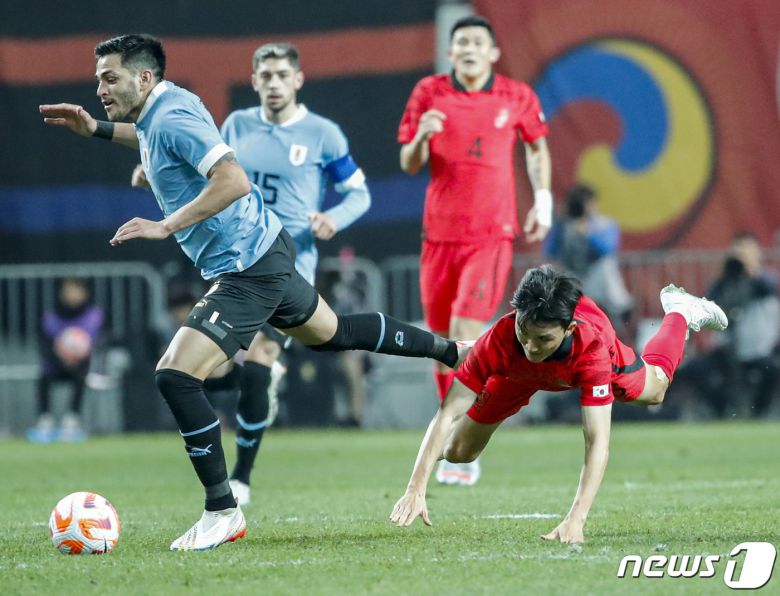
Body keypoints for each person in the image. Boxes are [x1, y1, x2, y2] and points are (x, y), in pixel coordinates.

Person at [40, 34, 469, 552]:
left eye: (110, 79)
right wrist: (98, 129)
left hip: (247, 268)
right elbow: (157, 139)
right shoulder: (171, 104)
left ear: (143, 78)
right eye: (98, 81)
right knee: (334, 335)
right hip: (270, 249)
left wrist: (164, 225)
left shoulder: (171, 116)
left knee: (175, 375)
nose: (101, 88)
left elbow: (233, 180)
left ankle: (223, 509)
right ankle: (455, 351)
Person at [132, 42, 372, 506]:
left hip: (287, 265)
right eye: (266, 76)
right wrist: (154, 171)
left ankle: (240, 478)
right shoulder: (237, 125)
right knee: (218, 370)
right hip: (237, 259)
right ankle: (255, 399)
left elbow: (359, 193)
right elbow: (210, 169)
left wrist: (333, 219)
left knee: (260, 359)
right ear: (255, 79)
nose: (274, 84)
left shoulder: (324, 134)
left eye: (283, 75)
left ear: (298, 79)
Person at [389, 265, 728, 543]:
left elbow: (597, 442)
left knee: (654, 392)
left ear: (568, 329)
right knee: (457, 452)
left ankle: (681, 312)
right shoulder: (505, 336)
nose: (532, 346)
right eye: (525, 332)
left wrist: (575, 519)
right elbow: (447, 412)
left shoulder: (592, 349)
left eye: (544, 338)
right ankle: (471, 353)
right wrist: (416, 488)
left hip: (587, 364)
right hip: (516, 374)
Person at [398, 15, 553, 485]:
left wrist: (542, 202)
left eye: (476, 42)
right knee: (442, 343)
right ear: (450, 53)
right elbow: (408, 163)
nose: (467, 48)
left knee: (467, 334)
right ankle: (454, 440)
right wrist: (423, 135)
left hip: (489, 235)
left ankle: (463, 442)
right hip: (438, 236)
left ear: (492, 53)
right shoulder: (429, 92)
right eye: (459, 41)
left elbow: (538, 149)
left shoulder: (516, 96)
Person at [702, 232, 779, 417]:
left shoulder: (766, 279)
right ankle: (721, 414)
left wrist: (750, 271)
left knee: (773, 371)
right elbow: (711, 305)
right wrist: (727, 277)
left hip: (761, 350)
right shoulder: (722, 282)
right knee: (698, 370)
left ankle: (759, 414)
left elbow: (768, 289)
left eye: (746, 250)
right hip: (730, 350)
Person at [544, 184, 633, 328]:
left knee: (607, 269)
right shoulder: (563, 226)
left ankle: (623, 321)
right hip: (572, 278)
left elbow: (608, 250)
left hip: (599, 280)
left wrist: (589, 234)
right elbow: (550, 252)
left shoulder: (604, 224)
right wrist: (560, 226)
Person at [27, 277, 104, 443]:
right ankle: (45, 420)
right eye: (67, 291)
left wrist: (81, 355)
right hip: (56, 364)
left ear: (84, 293)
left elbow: (102, 341)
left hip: (82, 365)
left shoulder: (94, 316)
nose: (71, 295)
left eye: (76, 290)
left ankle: (71, 420)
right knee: (43, 377)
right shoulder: (51, 316)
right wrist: (61, 356)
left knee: (81, 377)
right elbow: (43, 344)